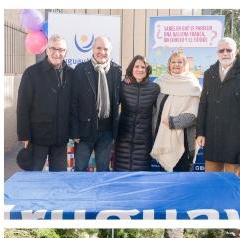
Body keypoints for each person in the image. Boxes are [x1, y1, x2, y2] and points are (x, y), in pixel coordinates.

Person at [196, 37, 240, 178]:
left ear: (236, 51)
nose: (225, 53)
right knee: (211, 183)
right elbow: (203, 104)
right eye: (221, 50)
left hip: (236, 141)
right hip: (213, 139)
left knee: (233, 185)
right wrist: (200, 132)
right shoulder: (209, 74)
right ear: (217, 53)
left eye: (229, 50)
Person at [17, 34, 74, 171]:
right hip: (38, 138)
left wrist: (73, 131)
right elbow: (23, 106)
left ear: (65, 52)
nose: (57, 53)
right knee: (33, 176)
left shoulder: (71, 74)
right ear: (46, 50)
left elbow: (73, 105)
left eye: (61, 50)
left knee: (58, 179)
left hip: (60, 139)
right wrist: (24, 135)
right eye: (53, 48)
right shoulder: (32, 73)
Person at [71, 36, 121, 172]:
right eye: (99, 48)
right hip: (84, 132)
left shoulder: (117, 70)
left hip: (107, 132)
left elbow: (120, 97)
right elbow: (73, 103)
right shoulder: (81, 69)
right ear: (92, 49)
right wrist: (75, 131)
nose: (102, 52)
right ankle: (79, 193)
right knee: (80, 168)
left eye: (105, 49)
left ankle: (102, 193)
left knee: (103, 169)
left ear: (110, 51)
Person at [151, 51, 202, 172]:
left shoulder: (192, 84)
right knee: (165, 183)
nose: (176, 65)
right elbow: (153, 108)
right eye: (173, 62)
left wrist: (172, 122)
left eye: (180, 62)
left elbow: (195, 115)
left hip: (184, 142)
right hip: (162, 140)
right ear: (168, 64)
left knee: (183, 184)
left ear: (185, 65)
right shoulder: (160, 83)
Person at [114, 55, 160, 171]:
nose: (140, 70)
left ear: (147, 70)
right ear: (131, 68)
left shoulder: (155, 88)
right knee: (121, 177)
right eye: (137, 66)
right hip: (123, 139)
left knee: (140, 179)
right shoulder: (123, 86)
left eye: (143, 67)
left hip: (144, 141)